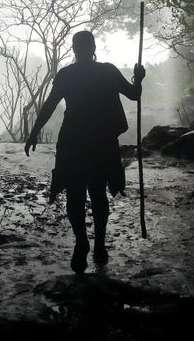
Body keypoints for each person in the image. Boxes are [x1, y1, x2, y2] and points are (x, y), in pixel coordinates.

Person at [24, 30, 145, 273]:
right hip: (100, 139)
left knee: (75, 194)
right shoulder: (107, 71)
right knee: (97, 192)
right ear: (92, 47)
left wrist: (35, 131)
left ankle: (83, 242)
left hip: (74, 140)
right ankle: (96, 243)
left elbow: (49, 105)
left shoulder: (68, 74)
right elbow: (134, 94)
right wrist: (138, 78)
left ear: (74, 49)